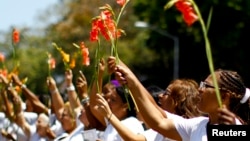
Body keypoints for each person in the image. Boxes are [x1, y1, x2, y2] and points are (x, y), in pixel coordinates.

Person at [107, 56, 248, 141]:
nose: (200, 89)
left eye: (207, 86)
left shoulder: (235, 129)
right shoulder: (198, 125)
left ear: (224, 97)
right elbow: (159, 122)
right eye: (201, 84)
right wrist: (131, 82)